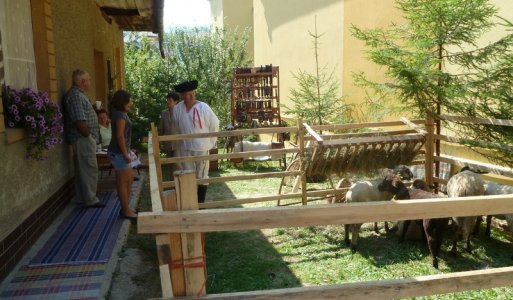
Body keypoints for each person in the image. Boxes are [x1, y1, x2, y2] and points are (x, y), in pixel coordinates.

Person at [173, 80, 219, 203]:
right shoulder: (177, 109)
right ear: (183, 95)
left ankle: (201, 203)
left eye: (194, 93)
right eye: (189, 94)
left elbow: (214, 124)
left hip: (202, 147)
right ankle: (191, 202)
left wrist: (210, 142)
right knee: (188, 174)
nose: (192, 96)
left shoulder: (203, 107)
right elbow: (178, 126)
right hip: (186, 147)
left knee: (202, 175)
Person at [63, 69, 105, 208]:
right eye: (89, 79)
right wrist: (89, 137)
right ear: (82, 82)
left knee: (83, 169)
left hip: (83, 138)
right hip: (82, 138)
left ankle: (82, 197)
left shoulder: (79, 95)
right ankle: (91, 199)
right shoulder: (75, 96)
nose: (90, 82)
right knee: (89, 168)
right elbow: (79, 121)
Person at [107, 89, 138, 219]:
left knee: (130, 178)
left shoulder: (120, 113)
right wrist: (126, 154)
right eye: (129, 100)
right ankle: (125, 210)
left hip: (122, 152)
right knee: (122, 181)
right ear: (123, 101)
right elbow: (120, 136)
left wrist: (128, 151)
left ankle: (126, 207)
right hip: (119, 153)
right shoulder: (119, 115)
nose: (130, 102)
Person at [158, 92, 180, 177]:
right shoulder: (164, 113)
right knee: (170, 165)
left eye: (170, 100)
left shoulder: (180, 113)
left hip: (178, 144)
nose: (168, 102)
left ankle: (179, 184)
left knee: (177, 164)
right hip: (167, 143)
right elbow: (160, 129)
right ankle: (172, 185)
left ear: (176, 102)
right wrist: (159, 142)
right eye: (167, 100)